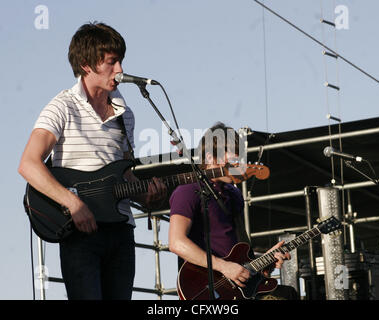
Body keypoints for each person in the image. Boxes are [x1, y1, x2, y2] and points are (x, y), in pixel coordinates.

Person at [18, 22, 167, 300]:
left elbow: (124, 173)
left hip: (121, 230)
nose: (120, 69)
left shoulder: (126, 114)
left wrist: (147, 196)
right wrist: (73, 204)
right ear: (86, 65)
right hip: (80, 233)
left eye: (120, 61)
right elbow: (28, 164)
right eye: (112, 62)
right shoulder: (62, 106)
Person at [168, 122, 298, 300]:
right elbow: (176, 242)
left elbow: (239, 252)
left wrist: (265, 261)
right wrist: (223, 267)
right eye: (233, 160)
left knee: (286, 295)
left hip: (236, 288)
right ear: (210, 158)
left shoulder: (234, 195)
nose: (239, 165)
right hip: (206, 287)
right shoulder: (188, 191)